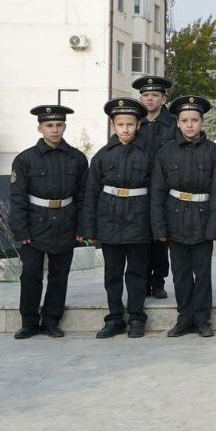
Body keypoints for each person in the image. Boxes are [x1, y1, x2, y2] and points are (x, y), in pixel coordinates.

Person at [8, 103, 88, 339]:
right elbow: (17, 197)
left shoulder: (77, 158)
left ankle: (52, 320)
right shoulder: (25, 159)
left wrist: (82, 227)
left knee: (59, 274)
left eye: (59, 124)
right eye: (49, 125)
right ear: (40, 128)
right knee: (31, 273)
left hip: (65, 221)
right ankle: (29, 322)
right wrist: (21, 229)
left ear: (65, 126)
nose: (55, 130)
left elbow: (84, 197)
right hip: (35, 224)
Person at [150, 94, 216, 338]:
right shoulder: (165, 153)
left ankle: (203, 319)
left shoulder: (215, 152)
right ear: (178, 123)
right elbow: (158, 193)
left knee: (202, 273)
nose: (190, 124)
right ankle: (184, 318)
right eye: (185, 120)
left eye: (195, 119)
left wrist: (214, 227)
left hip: (203, 219)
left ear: (202, 122)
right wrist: (159, 228)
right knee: (181, 273)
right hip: (175, 220)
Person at [81, 98, 153, 339]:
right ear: (113, 125)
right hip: (109, 220)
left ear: (138, 126)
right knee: (112, 273)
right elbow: (91, 194)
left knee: (136, 272)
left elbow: (156, 192)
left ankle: (136, 317)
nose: (125, 129)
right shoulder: (102, 156)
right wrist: (90, 229)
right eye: (120, 124)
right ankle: (114, 318)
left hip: (138, 219)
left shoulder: (149, 155)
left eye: (130, 124)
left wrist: (155, 226)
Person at [134, 74, 177, 299]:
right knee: (141, 240)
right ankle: (142, 283)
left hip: (166, 191)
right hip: (140, 190)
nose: (149, 99)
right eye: (145, 95)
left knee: (161, 239)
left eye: (154, 95)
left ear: (163, 98)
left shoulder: (173, 124)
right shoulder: (134, 122)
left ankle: (158, 282)